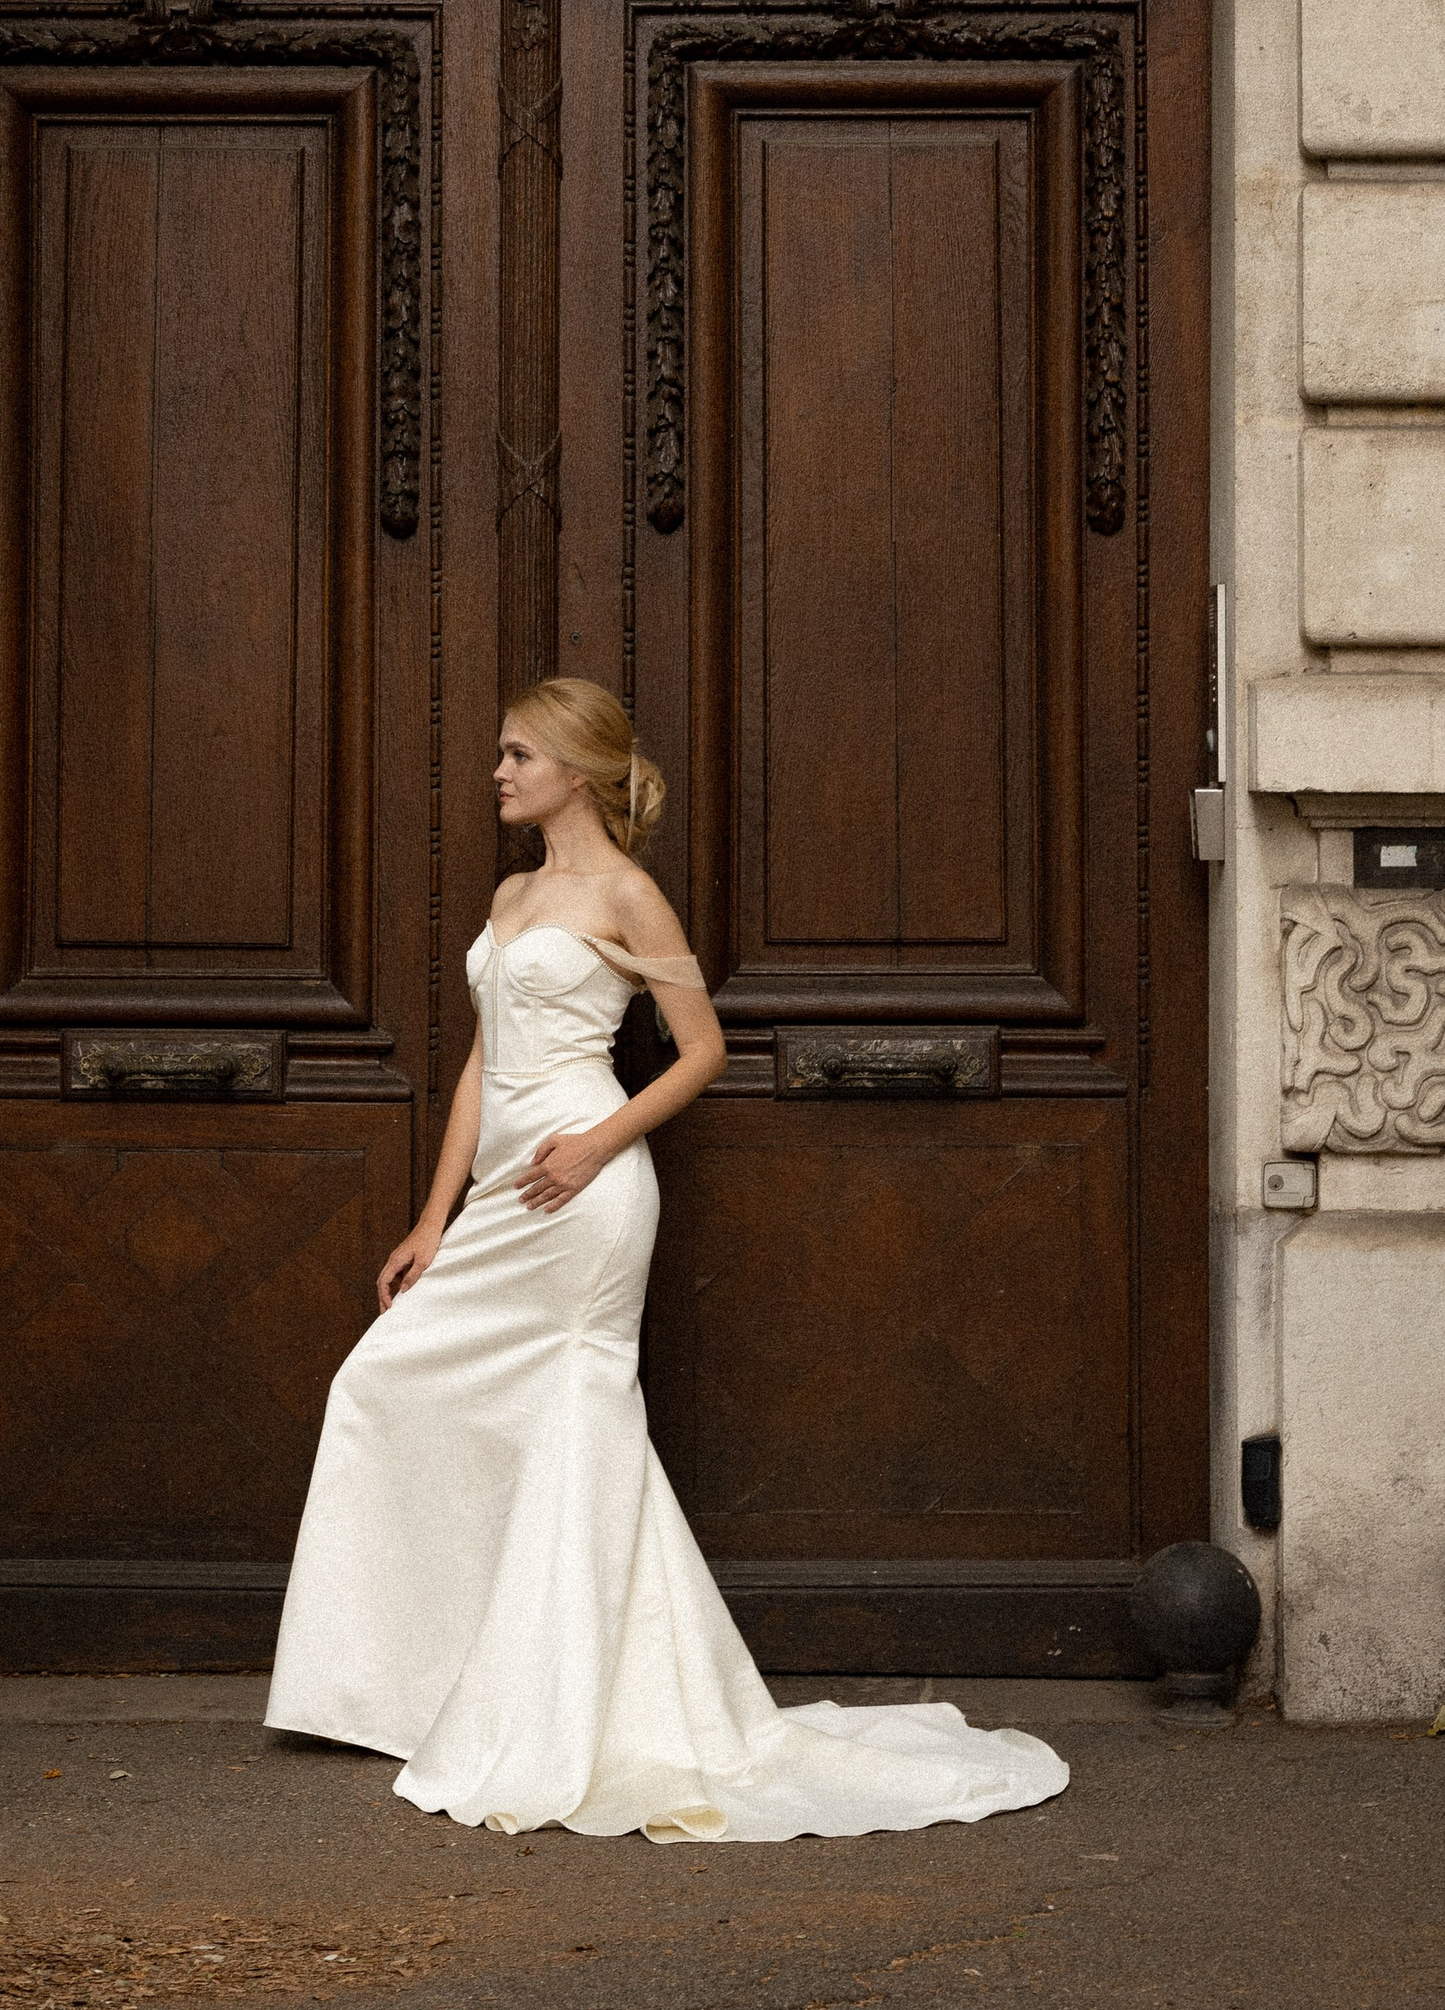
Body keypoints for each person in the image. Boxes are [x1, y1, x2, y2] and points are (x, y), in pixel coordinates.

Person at [264, 676, 1069, 1842]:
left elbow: (701, 1053)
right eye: (501, 754)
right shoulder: (510, 892)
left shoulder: (629, 895)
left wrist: (597, 1143)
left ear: (575, 774)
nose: (497, 772)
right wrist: (436, 1217)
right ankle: (421, 1687)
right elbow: (484, 1066)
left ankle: (577, 1706)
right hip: (500, 1199)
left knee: (579, 1426)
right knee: (380, 1385)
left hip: (588, 1199)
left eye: (516, 754)